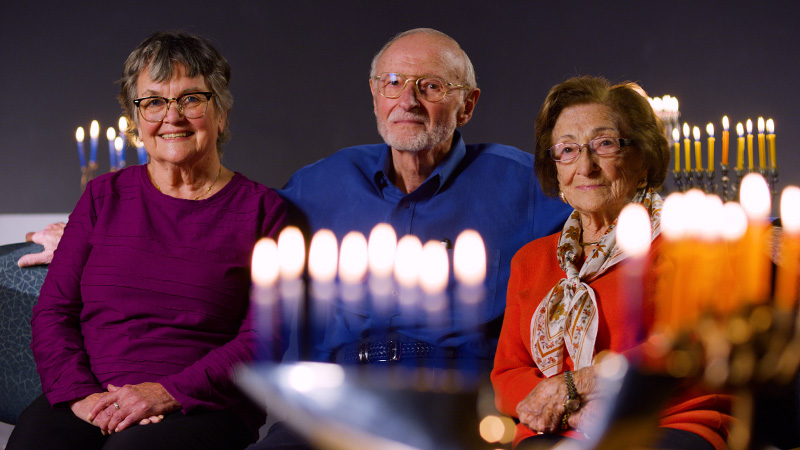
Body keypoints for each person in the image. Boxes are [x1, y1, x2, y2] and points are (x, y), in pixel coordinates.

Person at [7, 31, 287, 450]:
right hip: (89, 397)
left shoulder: (265, 212)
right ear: (136, 118)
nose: (171, 116)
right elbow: (53, 312)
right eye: (153, 101)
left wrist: (166, 393)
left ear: (222, 112)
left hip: (202, 404)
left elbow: (264, 337)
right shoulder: (103, 196)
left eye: (191, 99)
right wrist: (83, 396)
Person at [277, 28, 571, 367]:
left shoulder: (526, 185)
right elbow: (234, 235)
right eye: (392, 82)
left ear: (467, 106)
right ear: (375, 96)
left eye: (431, 86)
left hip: (461, 399)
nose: (408, 101)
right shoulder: (316, 184)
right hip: (340, 395)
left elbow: (609, 236)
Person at [490, 76, 732, 449]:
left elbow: (691, 344)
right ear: (554, 167)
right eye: (567, 150)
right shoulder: (531, 260)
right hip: (554, 432)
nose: (585, 167)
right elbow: (507, 373)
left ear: (644, 156)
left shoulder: (688, 242)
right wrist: (572, 411)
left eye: (604, 144)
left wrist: (579, 383)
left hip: (665, 421)